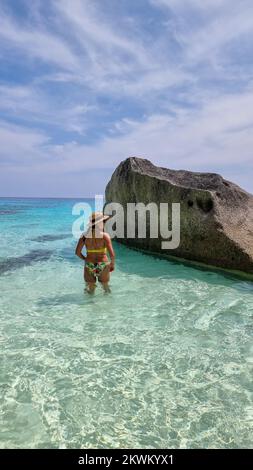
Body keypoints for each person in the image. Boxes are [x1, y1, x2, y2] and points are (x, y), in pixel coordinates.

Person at [75, 211, 115, 294]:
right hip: (103, 264)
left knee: (90, 289)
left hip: (89, 264)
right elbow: (112, 255)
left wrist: (86, 259)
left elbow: (77, 252)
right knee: (106, 288)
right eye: (104, 221)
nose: (104, 223)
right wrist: (112, 264)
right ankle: (108, 306)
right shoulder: (105, 236)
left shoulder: (84, 236)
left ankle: (89, 306)